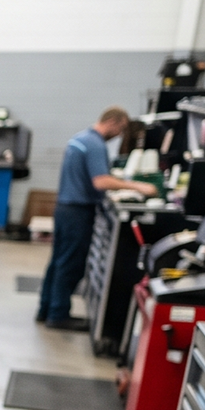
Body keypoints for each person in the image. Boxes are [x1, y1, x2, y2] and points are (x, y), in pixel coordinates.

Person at [39, 106, 154, 330]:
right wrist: (138, 186)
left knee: (57, 261)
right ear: (113, 121)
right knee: (70, 264)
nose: (119, 135)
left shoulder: (79, 138)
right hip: (78, 212)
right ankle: (58, 314)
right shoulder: (95, 145)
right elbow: (101, 182)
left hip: (64, 207)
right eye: (121, 129)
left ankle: (46, 309)